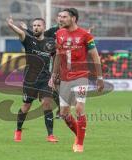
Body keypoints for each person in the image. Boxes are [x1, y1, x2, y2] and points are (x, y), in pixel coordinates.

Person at [49, 8, 104, 152]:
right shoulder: (59, 34)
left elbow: (95, 56)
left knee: (79, 108)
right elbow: (58, 56)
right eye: (59, 16)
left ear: (73, 18)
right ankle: (79, 134)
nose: (60, 19)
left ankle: (79, 144)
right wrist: (53, 76)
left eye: (64, 17)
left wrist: (99, 77)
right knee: (64, 113)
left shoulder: (85, 35)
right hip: (65, 78)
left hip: (80, 76)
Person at [6, 16, 58, 142]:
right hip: (30, 80)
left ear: (44, 27)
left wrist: (54, 75)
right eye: (34, 25)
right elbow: (20, 33)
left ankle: (50, 135)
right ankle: (18, 130)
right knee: (26, 106)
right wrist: (12, 26)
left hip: (45, 79)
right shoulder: (28, 40)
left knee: (47, 104)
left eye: (38, 25)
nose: (36, 27)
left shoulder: (50, 42)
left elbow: (57, 56)